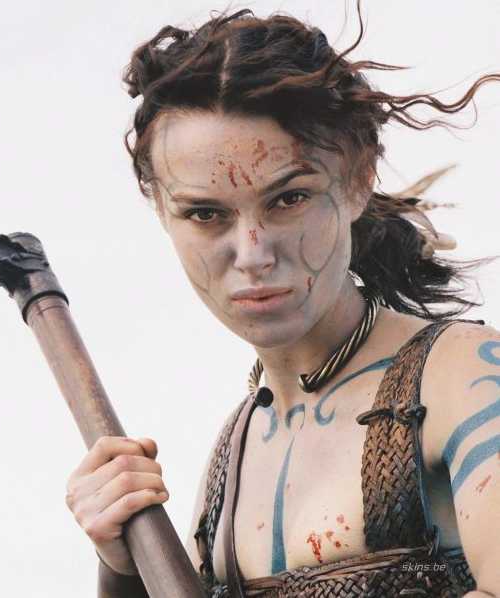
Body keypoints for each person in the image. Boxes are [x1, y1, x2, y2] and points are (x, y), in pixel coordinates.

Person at [65, 6, 500, 597]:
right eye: (206, 214)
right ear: (162, 211)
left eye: (289, 199)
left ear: (358, 178)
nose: (252, 254)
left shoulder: (463, 380)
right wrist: (122, 566)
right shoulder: (233, 458)